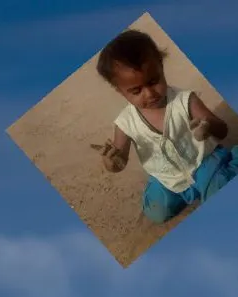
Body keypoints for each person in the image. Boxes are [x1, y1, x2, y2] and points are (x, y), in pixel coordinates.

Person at [95, 29, 238, 223]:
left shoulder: (185, 100)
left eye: (153, 81)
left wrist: (207, 127)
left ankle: (230, 161)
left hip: (202, 162)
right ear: (120, 91)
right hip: (168, 177)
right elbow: (120, 160)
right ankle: (182, 191)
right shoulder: (125, 123)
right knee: (156, 213)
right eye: (136, 91)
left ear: (161, 67)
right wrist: (112, 163)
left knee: (218, 190)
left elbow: (222, 130)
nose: (149, 94)